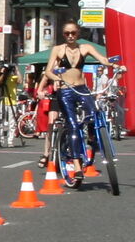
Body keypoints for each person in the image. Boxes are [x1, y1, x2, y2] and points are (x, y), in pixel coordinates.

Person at [44, 20, 117, 163]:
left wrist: (115, 65)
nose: (70, 36)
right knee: (72, 124)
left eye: (73, 33)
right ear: (63, 35)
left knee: (94, 113)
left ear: (78, 33)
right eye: (67, 33)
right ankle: (76, 162)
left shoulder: (85, 48)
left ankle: (92, 138)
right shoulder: (58, 49)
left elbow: (103, 60)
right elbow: (48, 71)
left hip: (81, 88)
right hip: (66, 90)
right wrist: (56, 79)